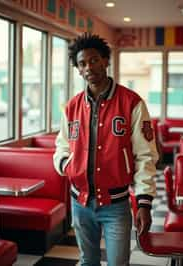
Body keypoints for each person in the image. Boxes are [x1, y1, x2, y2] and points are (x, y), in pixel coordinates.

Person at [53, 32, 159, 266]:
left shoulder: (132, 102)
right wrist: (67, 166)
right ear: (78, 70)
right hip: (79, 202)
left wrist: (144, 203)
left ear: (105, 61)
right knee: (87, 261)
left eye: (93, 60)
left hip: (116, 204)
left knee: (118, 263)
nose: (88, 67)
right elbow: (61, 145)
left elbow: (145, 156)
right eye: (82, 64)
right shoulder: (71, 107)